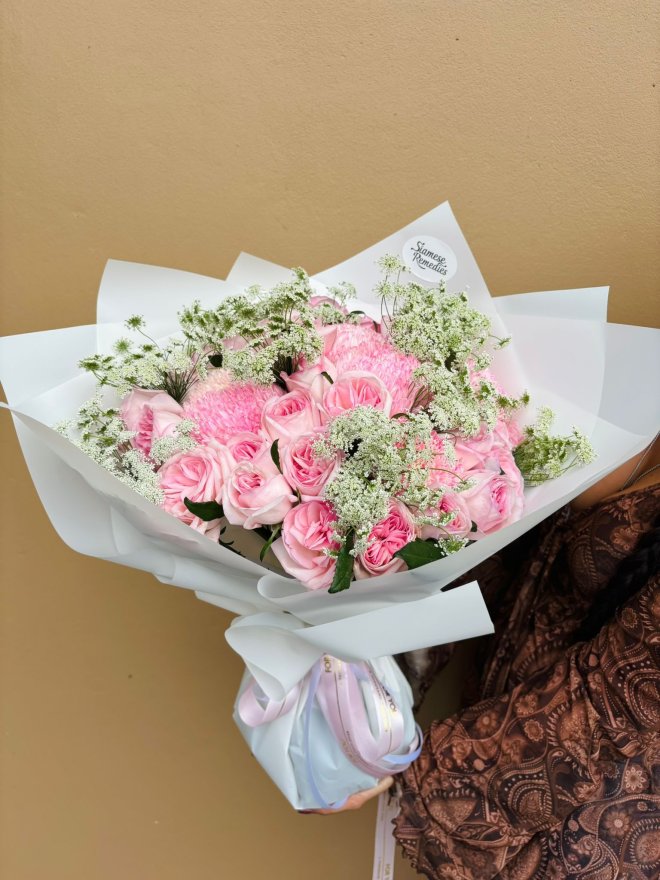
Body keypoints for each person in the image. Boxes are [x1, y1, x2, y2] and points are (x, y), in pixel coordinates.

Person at [310, 436, 660, 880]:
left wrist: (411, 768)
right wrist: (368, 677)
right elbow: (497, 543)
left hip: (580, 815)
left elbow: (622, 695)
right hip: (487, 713)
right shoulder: (634, 384)